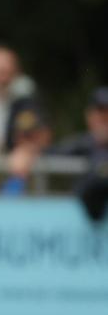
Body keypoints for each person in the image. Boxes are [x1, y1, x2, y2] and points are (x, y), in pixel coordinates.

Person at [52, 88, 108, 220]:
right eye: (101, 111)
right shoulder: (79, 145)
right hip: (84, 222)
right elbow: (48, 155)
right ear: (89, 115)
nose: (105, 117)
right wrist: (28, 152)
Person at [0, 45, 37, 151]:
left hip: (13, 155)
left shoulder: (26, 98)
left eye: (5, 65)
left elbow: (34, 132)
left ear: (16, 69)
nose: (1, 68)